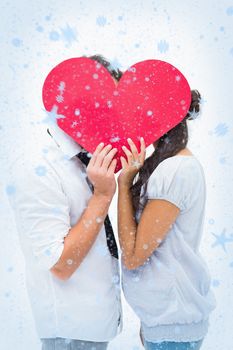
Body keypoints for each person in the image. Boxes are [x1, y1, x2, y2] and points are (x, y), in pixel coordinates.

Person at [8, 55, 123, 350]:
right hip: (71, 335)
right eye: (107, 103)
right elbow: (60, 264)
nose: (114, 115)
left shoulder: (86, 159)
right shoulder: (39, 168)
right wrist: (102, 196)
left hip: (93, 329)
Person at [117, 90, 217, 350]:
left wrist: (124, 182)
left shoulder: (174, 169)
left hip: (173, 320)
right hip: (170, 318)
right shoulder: (174, 164)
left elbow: (134, 256)